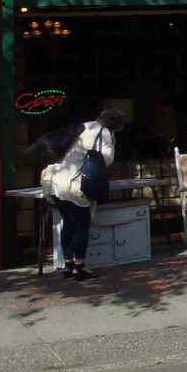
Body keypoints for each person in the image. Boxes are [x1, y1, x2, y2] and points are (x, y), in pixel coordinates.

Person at [41, 108, 124, 281]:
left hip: (53, 180)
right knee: (81, 225)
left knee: (68, 223)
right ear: (114, 125)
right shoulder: (104, 132)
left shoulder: (83, 126)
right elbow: (105, 160)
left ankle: (68, 265)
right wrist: (113, 143)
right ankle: (79, 268)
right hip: (73, 183)